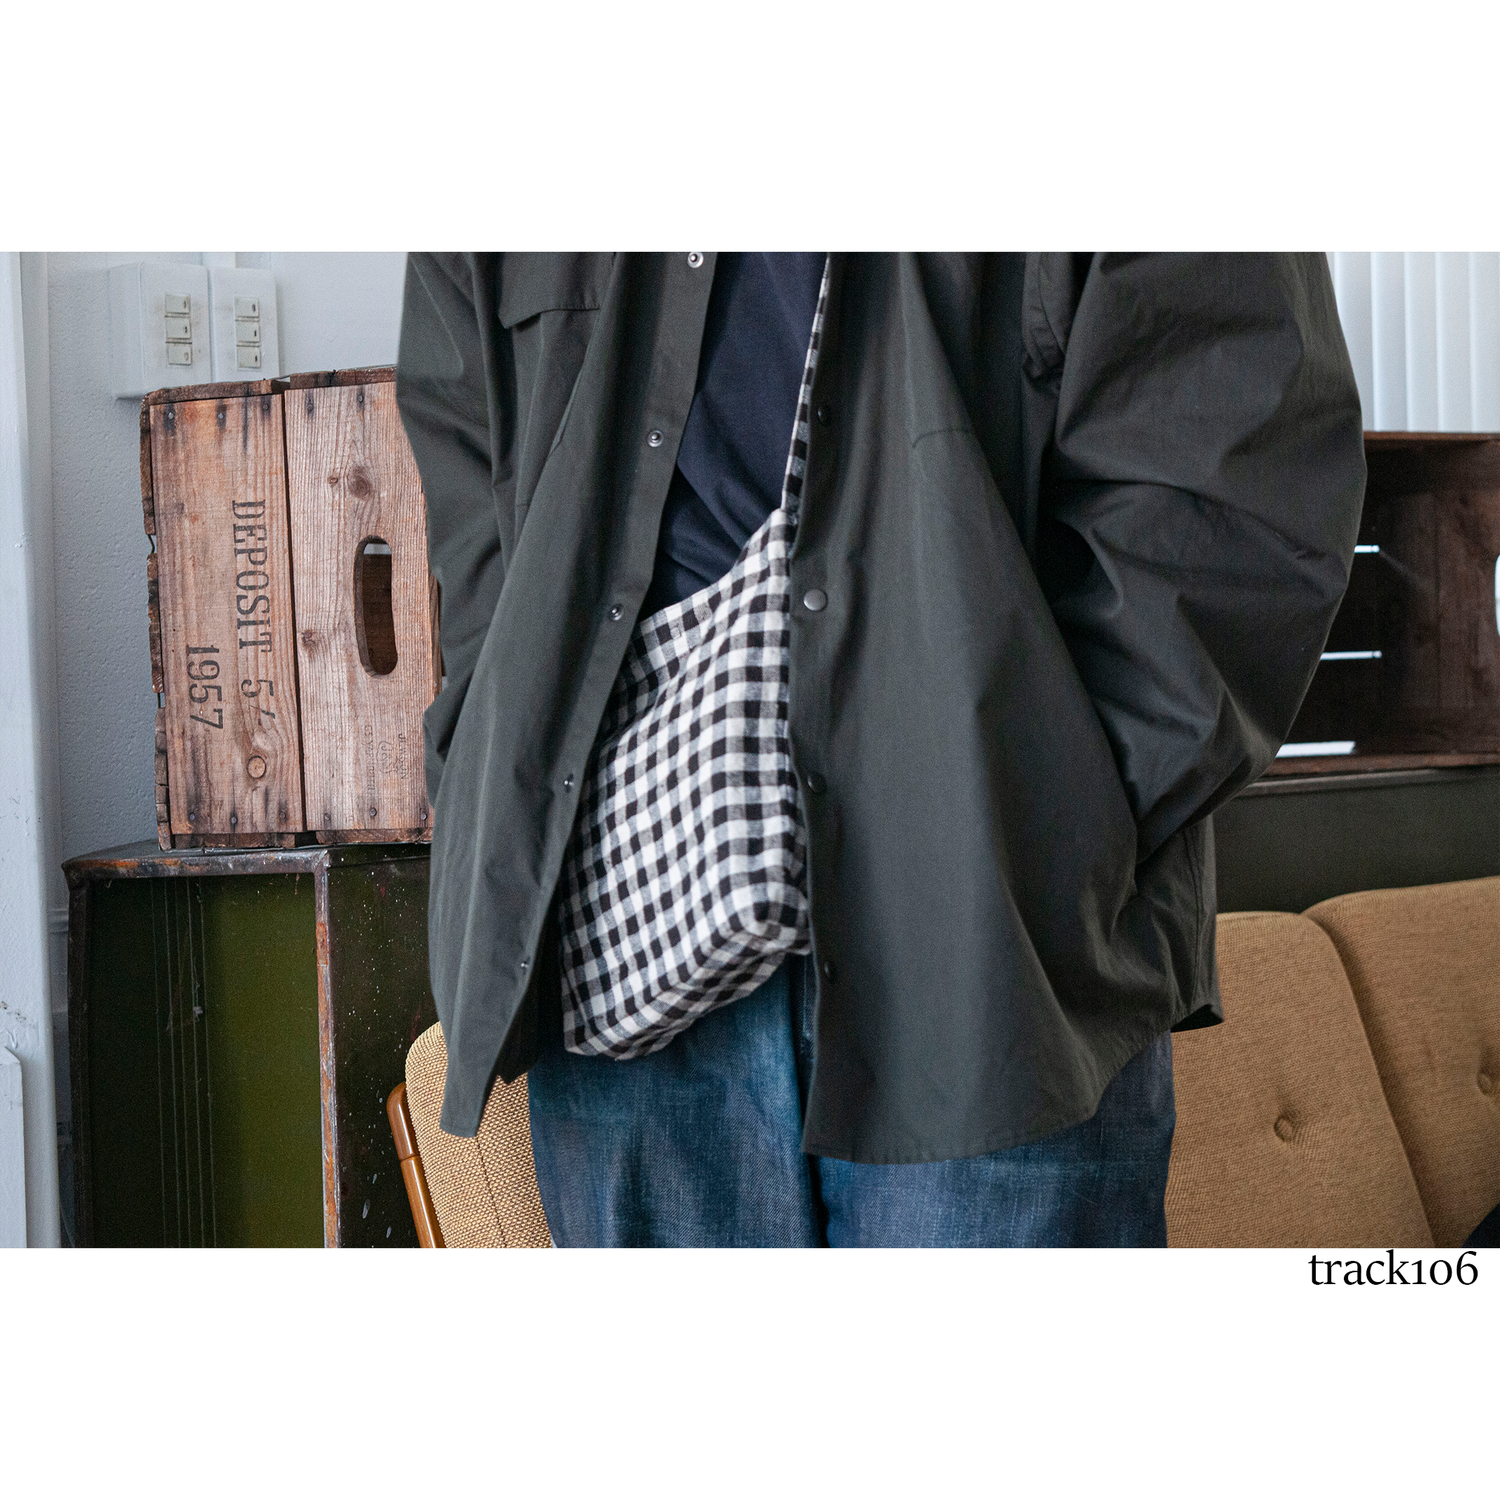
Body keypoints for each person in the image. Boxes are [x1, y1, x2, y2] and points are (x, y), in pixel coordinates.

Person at [395, 253, 1366, 1247]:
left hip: (984, 951)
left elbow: (1239, 486)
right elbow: (473, 496)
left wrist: (1051, 828)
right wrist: (500, 774)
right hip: (624, 939)